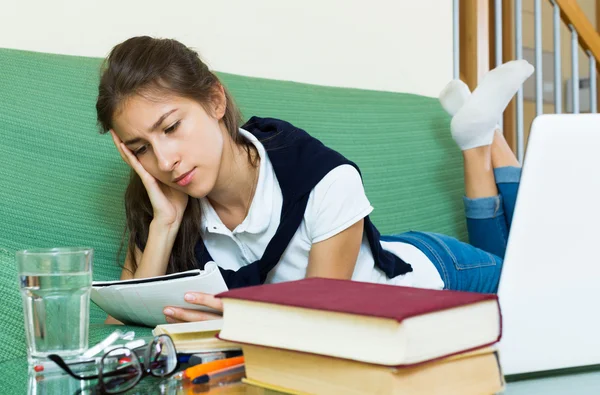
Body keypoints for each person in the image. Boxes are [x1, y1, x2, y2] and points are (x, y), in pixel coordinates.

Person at [96, 36, 533, 324]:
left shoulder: (323, 178)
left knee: (539, 283)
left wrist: (236, 321)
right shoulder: (163, 203)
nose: (165, 160)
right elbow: (120, 330)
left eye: (171, 127)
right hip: (361, 258)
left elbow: (322, 325)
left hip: (434, 273)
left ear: (214, 100)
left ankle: (480, 143)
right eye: (141, 149)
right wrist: (165, 225)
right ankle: (480, 135)